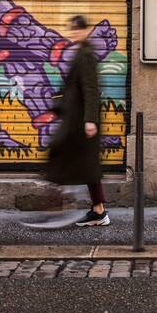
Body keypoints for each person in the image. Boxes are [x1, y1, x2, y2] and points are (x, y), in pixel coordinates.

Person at [43, 15, 109, 227]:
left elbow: (91, 89)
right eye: (71, 30)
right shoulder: (80, 52)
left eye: (76, 30)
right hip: (76, 119)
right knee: (87, 166)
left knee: (65, 157)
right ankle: (97, 211)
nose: (72, 33)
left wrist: (90, 120)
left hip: (82, 122)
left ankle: (62, 207)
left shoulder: (86, 55)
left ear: (85, 31)